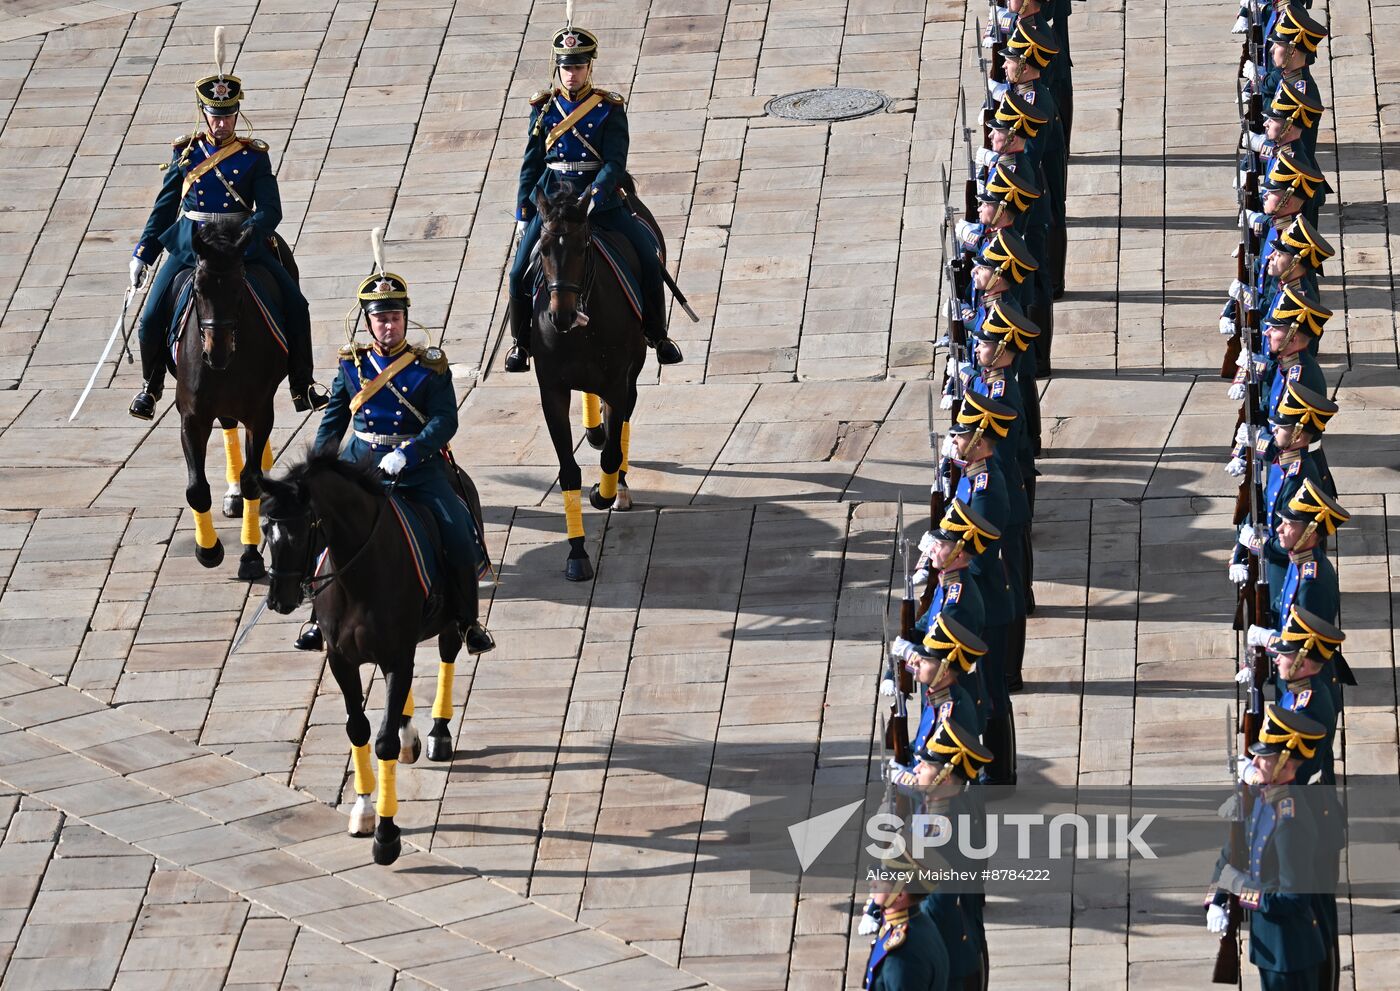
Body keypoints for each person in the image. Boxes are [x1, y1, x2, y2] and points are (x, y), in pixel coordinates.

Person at [300, 258, 495, 656]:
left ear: (406, 319)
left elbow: (444, 421)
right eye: (380, 319)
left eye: (394, 317)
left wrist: (408, 452)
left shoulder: (429, 367)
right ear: (368, 323)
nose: (388, 326)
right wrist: (319, 467)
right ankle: (315, 616)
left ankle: (468, 620)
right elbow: (335, 420)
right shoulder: (351, 366)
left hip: (418, 469)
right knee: (312, 525)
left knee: (458, 532)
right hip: (360, 464)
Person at [127, 28, 324, 420]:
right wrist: (143, 254)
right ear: (205, 114)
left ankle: (303, 384)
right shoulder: (185, 154)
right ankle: (151, 386)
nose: (222, 124)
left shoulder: (254, 156)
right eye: (215, 117)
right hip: (192, 243)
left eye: (228, 116)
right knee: (150, 317)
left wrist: (250, 232)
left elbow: (271, 208)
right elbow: (165, 208)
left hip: (240, 242)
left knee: (297, 305)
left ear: (237, 113)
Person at [504, 13, 682, 372]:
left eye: (579, 67)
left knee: (648, 258)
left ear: (590, 67)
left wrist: (595, 197)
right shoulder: (543, 108)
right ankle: (521, 344)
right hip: (553, 200)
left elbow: (615, 162)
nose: (573, 74)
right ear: (558, 69)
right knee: (518, 270)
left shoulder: (608, 107)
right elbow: (532, 162)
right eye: (567, 68)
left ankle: (658, 334)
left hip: (598, 201)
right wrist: (525, 212)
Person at [1205, 704, 1328, 990]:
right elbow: (1233, 851)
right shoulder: (1263, 798)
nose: (1255, 764)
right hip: (1269, 948)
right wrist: (1217, 899)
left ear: (1285, 763)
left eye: (1263, 759)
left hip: (1290, 953)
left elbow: (1294, 898)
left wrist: (1241, 887)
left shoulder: (1291, 823)